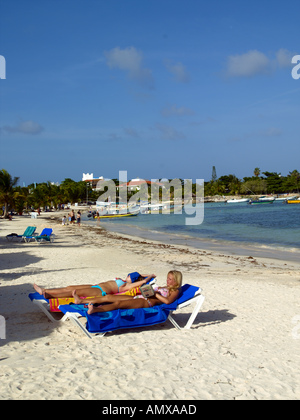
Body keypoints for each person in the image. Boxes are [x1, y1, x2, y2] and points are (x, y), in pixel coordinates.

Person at [82, 270, 182, 315]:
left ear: (176, 281)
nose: (167, 280)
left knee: (118, 304)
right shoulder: (165, 287)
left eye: (170, 279)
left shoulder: (175, 291)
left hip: (146, 302)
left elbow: (168, 302)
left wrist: (155, 293)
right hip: (140, 297)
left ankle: (95, 310)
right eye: (167, 278)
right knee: (108, 297)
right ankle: (81, 301)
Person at [33, 272, 156, 299]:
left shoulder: (127, 286)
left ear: (132, 280)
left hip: (99, 292)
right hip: (94, 286)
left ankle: (50, 295)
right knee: (70, 287)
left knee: (75, 293)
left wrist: (149, 275)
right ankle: (44, 290)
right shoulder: (123, 281)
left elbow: (144, 281)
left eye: (130, 276)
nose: (127, 276)